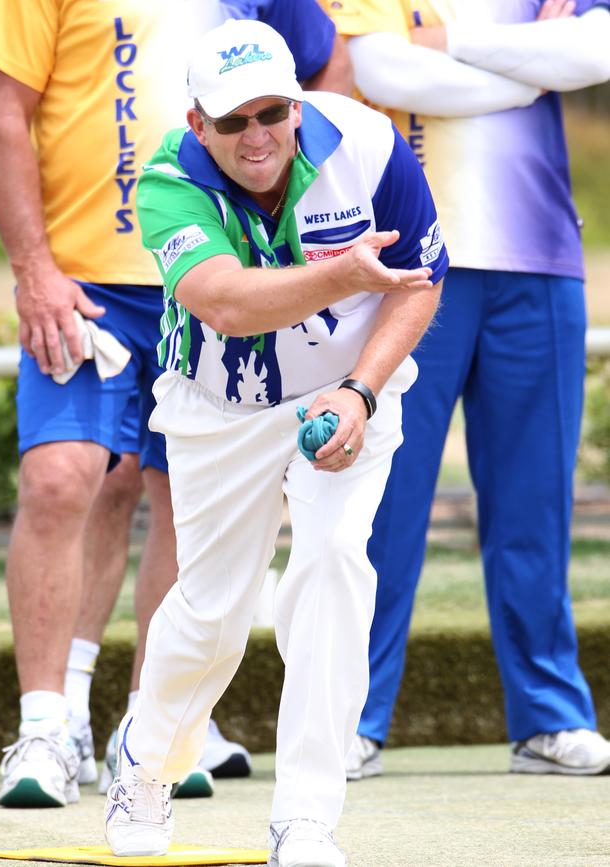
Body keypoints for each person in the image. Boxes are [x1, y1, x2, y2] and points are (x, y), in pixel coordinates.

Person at [0, 0, 352, 809]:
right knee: (63, 480)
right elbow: (3, 108)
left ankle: (154, 727)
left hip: (215, 280)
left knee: (188, 503)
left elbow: (327, 69)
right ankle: (48, 723)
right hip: (87, 282)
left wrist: (297, 223)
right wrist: (33, 270)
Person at [103, 17, 446, 866]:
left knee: (333, 565)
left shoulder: (368, 143)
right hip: (219, 405)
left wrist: (363, 389)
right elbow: (226, 301)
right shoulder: (166, 181)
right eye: (232, 121)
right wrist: (342, 272)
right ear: (198, 125)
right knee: (213, 611)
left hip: (348, 390)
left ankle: (306, 818)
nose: (255, 137)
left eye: (270, 113)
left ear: (297, 105)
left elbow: (421, 280)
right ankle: (146, 765)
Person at [319, 0, 610, 779]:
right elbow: (381, 68)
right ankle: (355, 717)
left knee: (535, 505)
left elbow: (595, 54)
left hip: (540, 260)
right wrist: (524, 69)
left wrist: (450, 44)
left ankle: (550, 716)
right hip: (414, 267)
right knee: (387, 504)